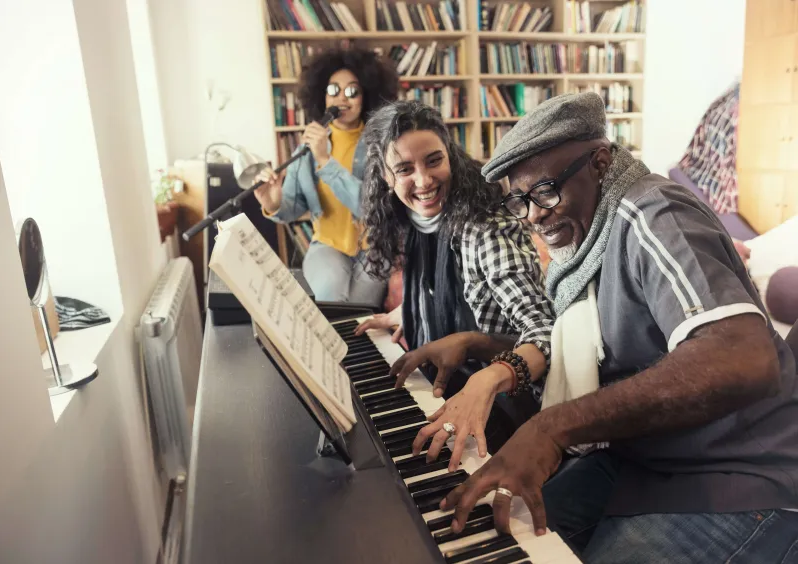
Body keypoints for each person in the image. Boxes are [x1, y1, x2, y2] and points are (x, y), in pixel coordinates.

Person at [432, 92, 798, 562]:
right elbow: (598, 349)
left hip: (740, 474)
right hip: (642, 461)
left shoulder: (654, 213)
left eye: (545, 191)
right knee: (487, 537)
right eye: (520, 201)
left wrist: (553, 427)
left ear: (600, 163)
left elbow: (740, 356)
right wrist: (478, 345)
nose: (535, 215)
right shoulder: (583, 249)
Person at [354, 100, 554, 455]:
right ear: (386, 177)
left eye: (434, 160)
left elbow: (548, 337)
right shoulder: (417, 219)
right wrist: (410, 312)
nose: (424, 180)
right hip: (449, 392)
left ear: (450, 155)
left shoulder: (486, 230)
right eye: (404, 169)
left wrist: (471, 343)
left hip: (505, 409)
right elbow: (450, 287)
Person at [253, 47, 398, 306]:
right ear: (322, 96)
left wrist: (325, 161)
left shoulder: (383, 145)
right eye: (334, 90)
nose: (342, 98)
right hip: (327, 246)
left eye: (353, 91)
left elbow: (370, 208)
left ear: (366, 97)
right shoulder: (306, 149)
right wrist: (273, 202)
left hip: (375, 249)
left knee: (360, 313)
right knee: (332, 300)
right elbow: (293, 208)